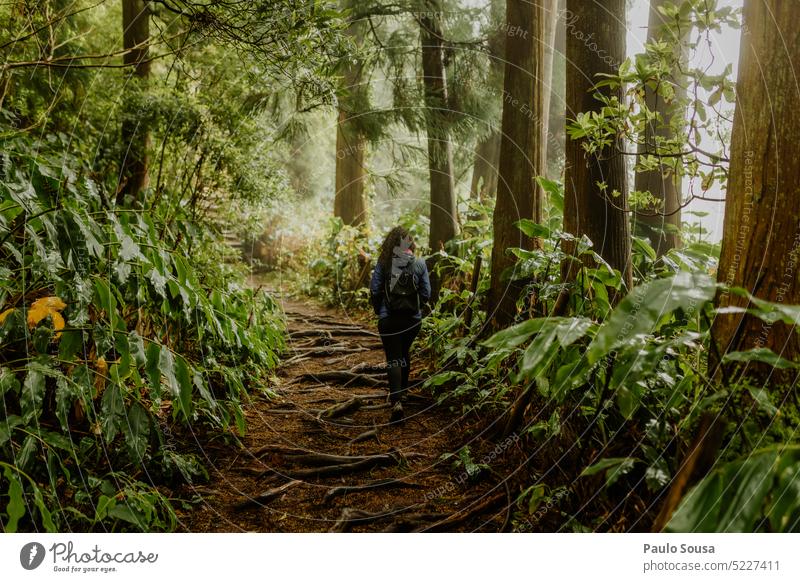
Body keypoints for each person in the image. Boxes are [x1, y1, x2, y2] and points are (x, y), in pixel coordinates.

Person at [370, 226, 431, 423]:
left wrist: (380, 310)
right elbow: (426, 294)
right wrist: (415, 308)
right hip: (412, 320)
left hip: (389, 319)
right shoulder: (420, 263)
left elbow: (375, 290)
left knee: (394, 356)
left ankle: (396, 400)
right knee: (404, 353)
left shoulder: (384, 263)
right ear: (410, 244)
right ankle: (403, 393)